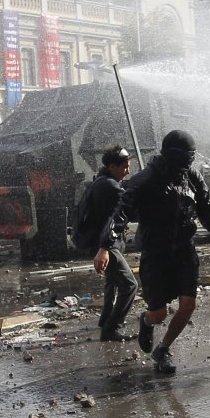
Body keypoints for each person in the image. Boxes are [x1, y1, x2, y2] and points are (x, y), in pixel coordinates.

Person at [93, 130, 210, 375]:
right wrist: (105, 246)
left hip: (184, 250)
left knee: (188, 304)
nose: (187, 163)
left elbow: (208, 209)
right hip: (156, 253)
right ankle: (146, 321)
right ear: (171, 156)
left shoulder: (192, 176)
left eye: (191, 158)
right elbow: (120, 214)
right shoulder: (145, 180)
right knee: (159, 313)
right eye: (184, 158)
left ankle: (163, 349)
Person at [82, 145, 138, 341]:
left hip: (101, 242)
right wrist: (104, 248)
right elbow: (118, 217)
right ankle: (112, 328)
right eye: (124, 167)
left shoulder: (100, 181)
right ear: (112, 166)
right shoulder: (110, 186)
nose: (128, 170)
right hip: (105, 244)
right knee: (129, 285)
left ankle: (105, 319)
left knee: (112, 282)